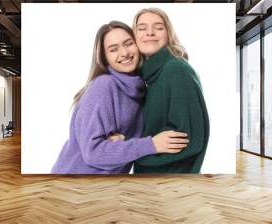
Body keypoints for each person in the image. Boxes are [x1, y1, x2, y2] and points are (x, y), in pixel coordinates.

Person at [51, 21, 189, 174]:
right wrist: (152, 145)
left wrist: (119, 145)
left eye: (128, 43)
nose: (124, 53)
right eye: (113, 49)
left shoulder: (140, 89)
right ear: (104, 58)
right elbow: (93, 153)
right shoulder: (104, 85)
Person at [132, 8, 210, 173]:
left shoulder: (176, 70)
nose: (150, 33)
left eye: (158, 27)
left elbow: (188, 137)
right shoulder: (149, 76)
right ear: (134, 36)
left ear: (168, 34)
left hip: (169, 181)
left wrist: (139, 152)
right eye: (142, 28)